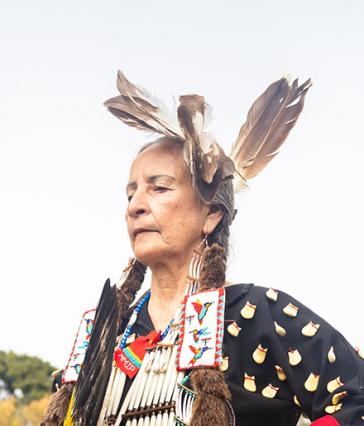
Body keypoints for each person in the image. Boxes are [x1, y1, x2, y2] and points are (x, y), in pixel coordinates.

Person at [42, 72, 364, 426]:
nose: (135, 205)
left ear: (211, 214)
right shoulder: (106, 335)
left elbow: (356, 399)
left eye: (159, 188)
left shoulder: (257, 318)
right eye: (130, 192)